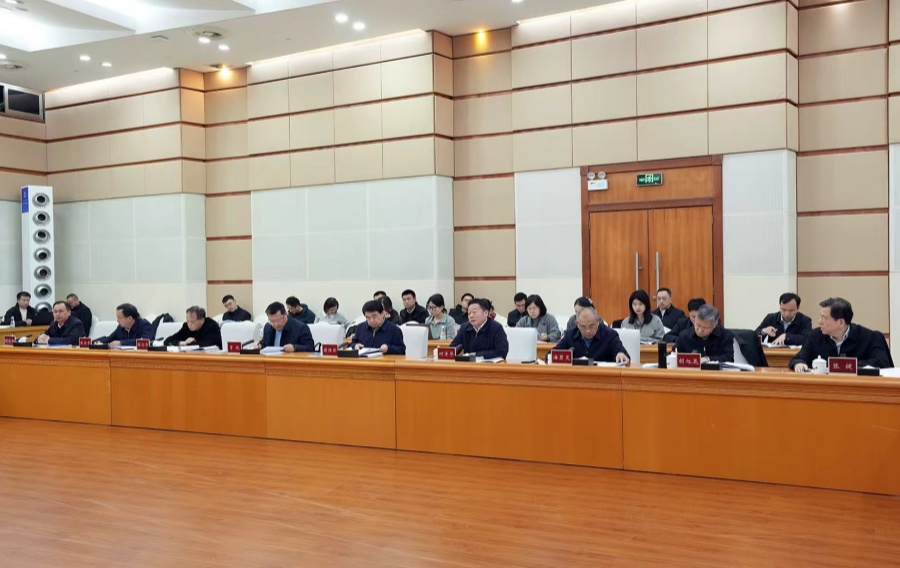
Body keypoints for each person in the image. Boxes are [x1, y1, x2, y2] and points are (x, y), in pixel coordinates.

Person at [790, 297, 891, 372]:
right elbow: (799, 358)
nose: (819, 321)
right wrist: (799, 363)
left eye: (824, 318)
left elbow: (882, 363)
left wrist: (843, 365)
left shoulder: (870, 337)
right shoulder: (814, 336)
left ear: (841, 322)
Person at [552, 307, 629, 364]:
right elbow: (551, 354)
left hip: (603, 376)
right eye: (583, 327)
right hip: (577, 376)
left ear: (598, 322)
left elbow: (622, 353)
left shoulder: (610, 334)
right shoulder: (570, 334)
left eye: (591, 326)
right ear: (578, 324)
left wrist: (620, 354)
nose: (588, 331)